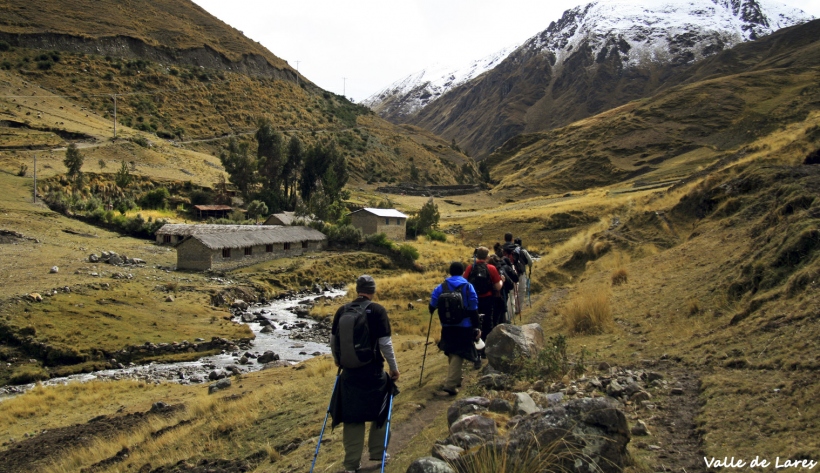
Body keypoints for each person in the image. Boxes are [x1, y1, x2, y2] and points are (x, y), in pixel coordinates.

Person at [330, 275, 400, 473]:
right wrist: (394, 368)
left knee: (353, 417)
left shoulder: (342, 310)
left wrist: (338, 359)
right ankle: (378, 453)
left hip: (349, 373)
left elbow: (333, 340)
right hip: (373, 372)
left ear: (357, 290)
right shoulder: (377, 310)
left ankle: (351, 464)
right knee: (381, 410)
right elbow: (385, 343)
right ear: (372, 291)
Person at [429, 261, 480, 396]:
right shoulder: (468, 287)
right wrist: (477, 327)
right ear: (463, 272)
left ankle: (456, 379)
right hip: (464, 325)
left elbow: (432, 306)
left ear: (450, 272)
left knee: (452, 351)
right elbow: (473, 308)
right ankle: (451, 384)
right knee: (459, 352)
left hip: (447, 326)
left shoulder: (441, 287)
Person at [463, 247, 503, 364]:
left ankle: (474, 350)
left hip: (473, 300)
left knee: (474, 323)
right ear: (487, 257)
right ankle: (485, 349)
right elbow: (498, 286)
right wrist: (502, 280)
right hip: (487, 298)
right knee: (487, 323)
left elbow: (464, 283)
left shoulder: (470, 268)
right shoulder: (491, 268)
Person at [515, 238, 534, 308]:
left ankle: (511, 310)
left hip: (511, 273)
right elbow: (530, 262)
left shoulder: (509, 251)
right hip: (521, 272)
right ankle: (518, 308)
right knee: (521, 291)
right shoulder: (523, 251)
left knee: (513, 292)